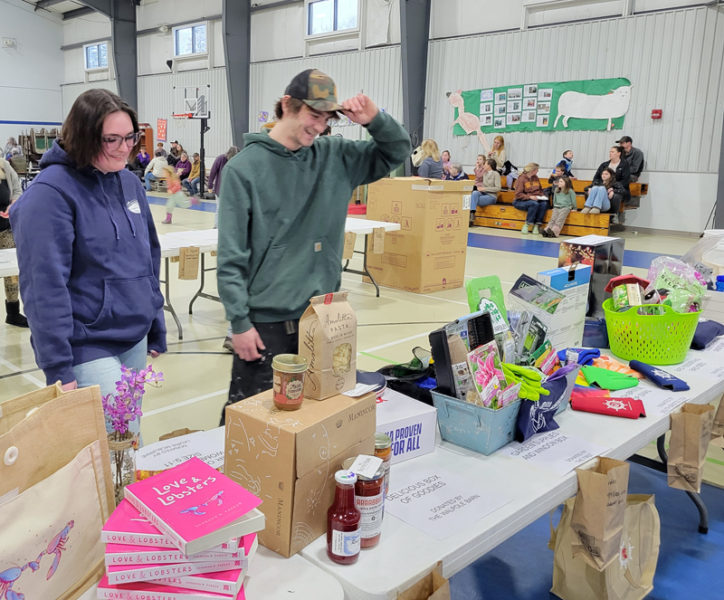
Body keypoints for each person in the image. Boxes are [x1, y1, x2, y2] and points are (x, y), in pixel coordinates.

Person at [216, 68, 410, 423]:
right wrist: (239, 323)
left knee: (312, 422)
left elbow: (397, 150)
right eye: (313, 115)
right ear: (287, 105)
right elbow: (231, 257)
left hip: (322, 320)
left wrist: (375, 120)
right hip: (265, 327)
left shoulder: (336, 156)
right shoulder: (243, 170)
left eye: (326, 118)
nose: (319, 126)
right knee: (249, 424)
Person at [9, 88, 166, 438]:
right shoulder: (50, 195)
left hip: (133, 338)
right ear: (82, 137)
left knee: (128, 442)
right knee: (117, 440)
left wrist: (154, 319)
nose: (125, 148)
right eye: (112, 139)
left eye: (130, 137)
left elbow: (146, 256)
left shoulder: (128, 182)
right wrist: (58, 368)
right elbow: (43, 288)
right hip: (86, 343)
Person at [0, 157, 28, 327]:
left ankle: (13, 313)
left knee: (12, 272)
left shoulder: (5, 165)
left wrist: (14, 204)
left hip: (5, 227)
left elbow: (17, 189)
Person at [513, 162, 548, 234]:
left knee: (544, 204)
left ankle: (537, 225)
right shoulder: (522, 178)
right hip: (520, 200)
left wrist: (541, 196)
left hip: (534, 198)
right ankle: (527, 224)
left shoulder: (536, 177)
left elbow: (540, 189)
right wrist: (530, 197)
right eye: (537, 170)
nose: (538, 171)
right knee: (534, 204)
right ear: (533, 170)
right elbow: (518, 194)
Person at [470, 157, 501, 224]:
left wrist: (484, 189)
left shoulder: (496, 174)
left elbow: (498, 188)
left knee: (473, 199)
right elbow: (478, 176)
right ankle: (472, 213)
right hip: (484, 193)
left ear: (489, 165)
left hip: (491, 196)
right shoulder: (485, 174)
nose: (484, 166)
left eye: (485, 164)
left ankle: (470, 216)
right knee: (475, 193)